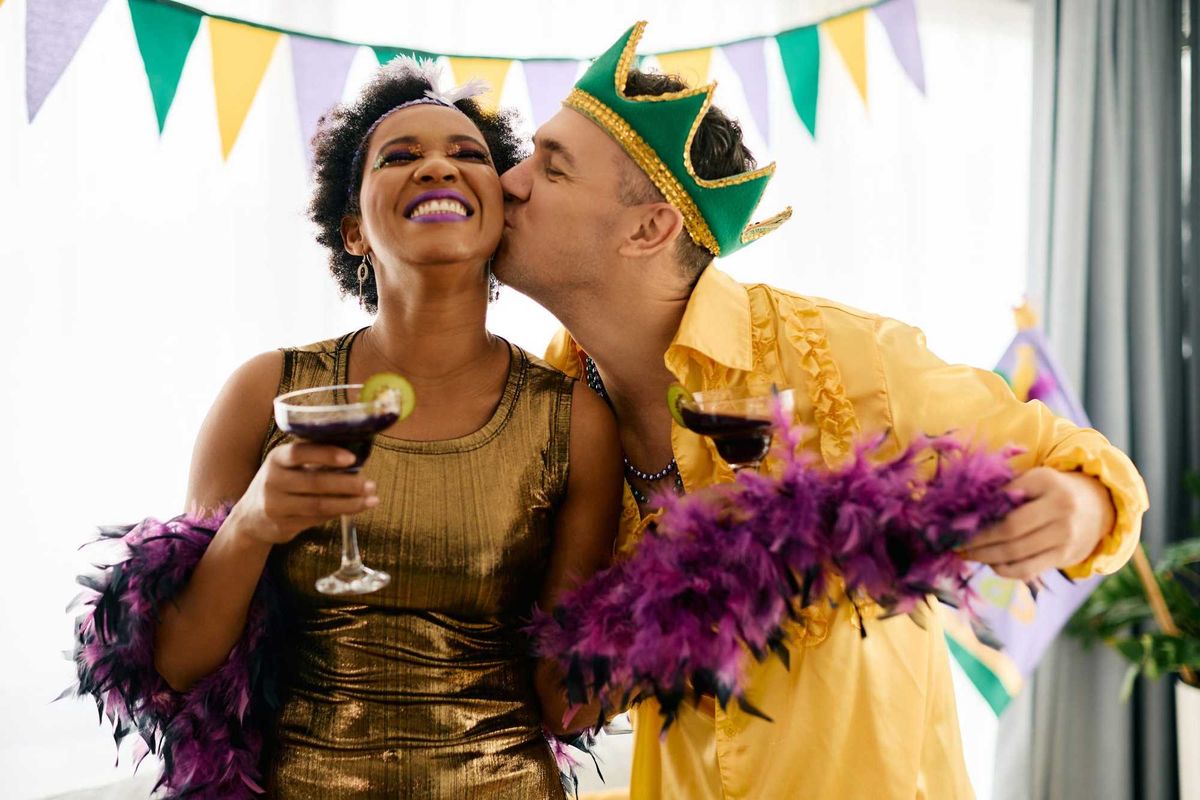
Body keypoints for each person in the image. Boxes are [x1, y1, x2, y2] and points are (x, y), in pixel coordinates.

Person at [494, 22, 1149, 799]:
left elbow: (1079, 463)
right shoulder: (540, 412)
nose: (511, 180)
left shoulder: (843, 357)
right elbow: (562, 685)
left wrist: (1077, 506)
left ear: (650, 227)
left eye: (552, 167)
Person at [149, 59, 622, 796]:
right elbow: (177, 666)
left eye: (469, 156)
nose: (438, 165)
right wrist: (251, 526)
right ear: (353, 232)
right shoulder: (267, 393)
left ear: (499, 214)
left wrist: (690, 585)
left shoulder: (574, 420)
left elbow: (568, 704)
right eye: (400, 156)